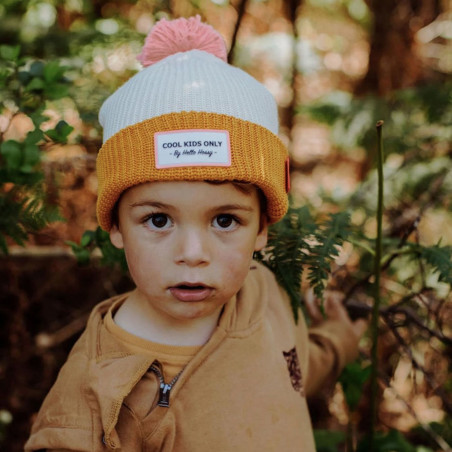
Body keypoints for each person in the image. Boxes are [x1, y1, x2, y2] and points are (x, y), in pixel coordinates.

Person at [25, 15, 366, 452]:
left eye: (225, 221)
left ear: (261, 228)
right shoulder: (96, 391)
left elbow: (288, 371)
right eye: (159, 220)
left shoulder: (263, 292)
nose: (192, 253)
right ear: (115, 225)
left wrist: (341, 340)